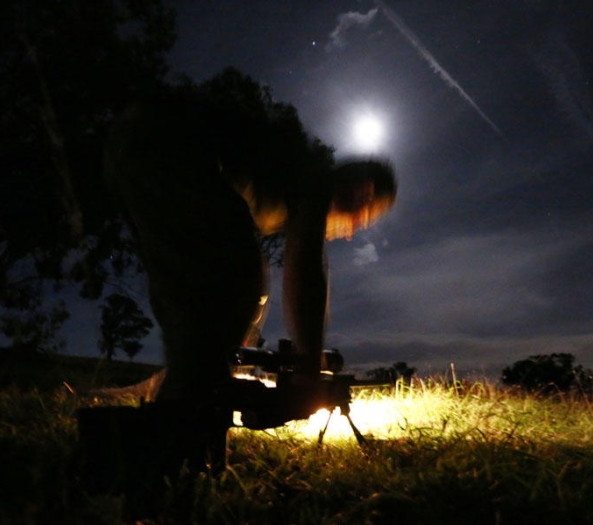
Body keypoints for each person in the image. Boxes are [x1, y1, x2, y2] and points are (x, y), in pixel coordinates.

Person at [103, 70, 396, 414]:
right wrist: (309, 374)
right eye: (360, 218)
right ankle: (188, 406)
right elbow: (306, 271)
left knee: (195, 287)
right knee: (233, 271)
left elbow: (249, 262)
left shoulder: (280, 173)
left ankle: (184, 395)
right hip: (165, 141)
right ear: (365, 189)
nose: (349, 231)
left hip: (128, 143)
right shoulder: (314, 176)